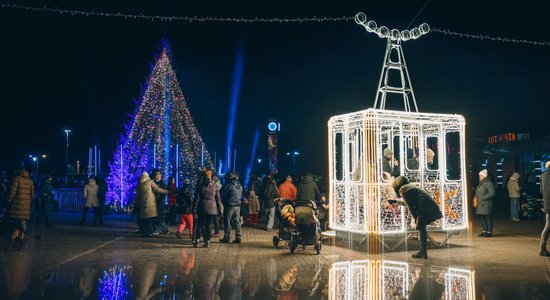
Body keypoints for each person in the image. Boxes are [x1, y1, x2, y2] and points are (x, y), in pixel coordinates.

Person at [391, 176, 443, 259]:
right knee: (422, 228)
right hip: (430, 205)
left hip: (424, 206)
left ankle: (423, 251)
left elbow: (410, 206)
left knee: (421, 227)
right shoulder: (410, 186)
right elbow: (407, 202)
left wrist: (416, 218)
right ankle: (423, 252)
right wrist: (395, 202)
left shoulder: (402, 189)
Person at [195, 170, 223, 247]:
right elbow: (218, 199)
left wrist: (193, 209)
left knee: (200, 224)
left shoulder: (200, 186)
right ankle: (207, 241)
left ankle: (197, 241)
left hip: (202, 207)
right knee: (208, 225)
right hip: (212, 209)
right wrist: (220, 209)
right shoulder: (215, 186)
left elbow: (196, 199)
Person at [135, 171, 169, 237]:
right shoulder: (150, 182)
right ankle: (151, 232)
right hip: (150, 203)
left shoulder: (139, 185)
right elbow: (158, 189)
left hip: (142, 203)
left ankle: (145, 232)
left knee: (145, 219)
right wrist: (167, 191)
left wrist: (137, 204)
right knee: (150, 218)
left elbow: (137, 196)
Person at [6, 169, 34, 241]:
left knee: (15, 220)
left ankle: (14, 234)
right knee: (23, 220)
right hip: (26, 204)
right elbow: (32, 193)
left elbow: (13, 191)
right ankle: (22, 235)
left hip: (17, 203)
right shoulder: (30, 181)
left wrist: (9, 200)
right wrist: (28, 201)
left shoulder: (17, 179)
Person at [219, 172, 244, 243]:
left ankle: (226, 237)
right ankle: (238, 237)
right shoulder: (240, 185)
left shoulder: (228, 185)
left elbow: (221, 194)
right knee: (237, 221)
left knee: (227, 221)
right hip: (238, 206)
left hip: (229, 205)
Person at [475, 169, 496, 237]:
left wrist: (483, 197)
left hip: (486, 203)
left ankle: (489, 232)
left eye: (480, 175)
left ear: (484, 176)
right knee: (482, 217)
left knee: (488, 217)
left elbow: (492, 193)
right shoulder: (481, 183)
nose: (479, 177)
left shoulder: (488, 183)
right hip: (481, 203)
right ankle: (484, 230)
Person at [151, 169, 170, 234]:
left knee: (159, 217)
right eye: (156, 175)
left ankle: (159, 229)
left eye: (159, 175)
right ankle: (164, 229)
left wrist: (162, 201)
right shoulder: (153, 182)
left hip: (160, 203)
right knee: (155, 217)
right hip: (153, 202)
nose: (158, 176)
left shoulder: (162, 184)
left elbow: (163, 193)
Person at [539, 161, 550, 256]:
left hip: (547, 204)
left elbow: (541, 190)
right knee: (547, 226)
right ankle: (542, 249)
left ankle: (542, 248)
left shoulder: (543, 175)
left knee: (547, 226)